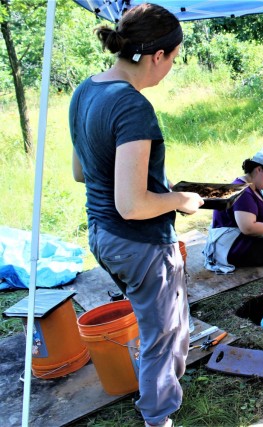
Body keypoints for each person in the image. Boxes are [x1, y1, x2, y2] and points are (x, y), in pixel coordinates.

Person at [69, 5, 202, 427]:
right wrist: (180, 199)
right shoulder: (132, 107)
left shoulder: (86, 90)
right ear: (157, 56)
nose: (171, 69)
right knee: (162, 336)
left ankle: (159, 400)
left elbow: (80, 171)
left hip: (101, 232)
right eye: (174, 59)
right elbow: (133, 205)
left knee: (171, 324)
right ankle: (157, 418)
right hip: (137, 240)